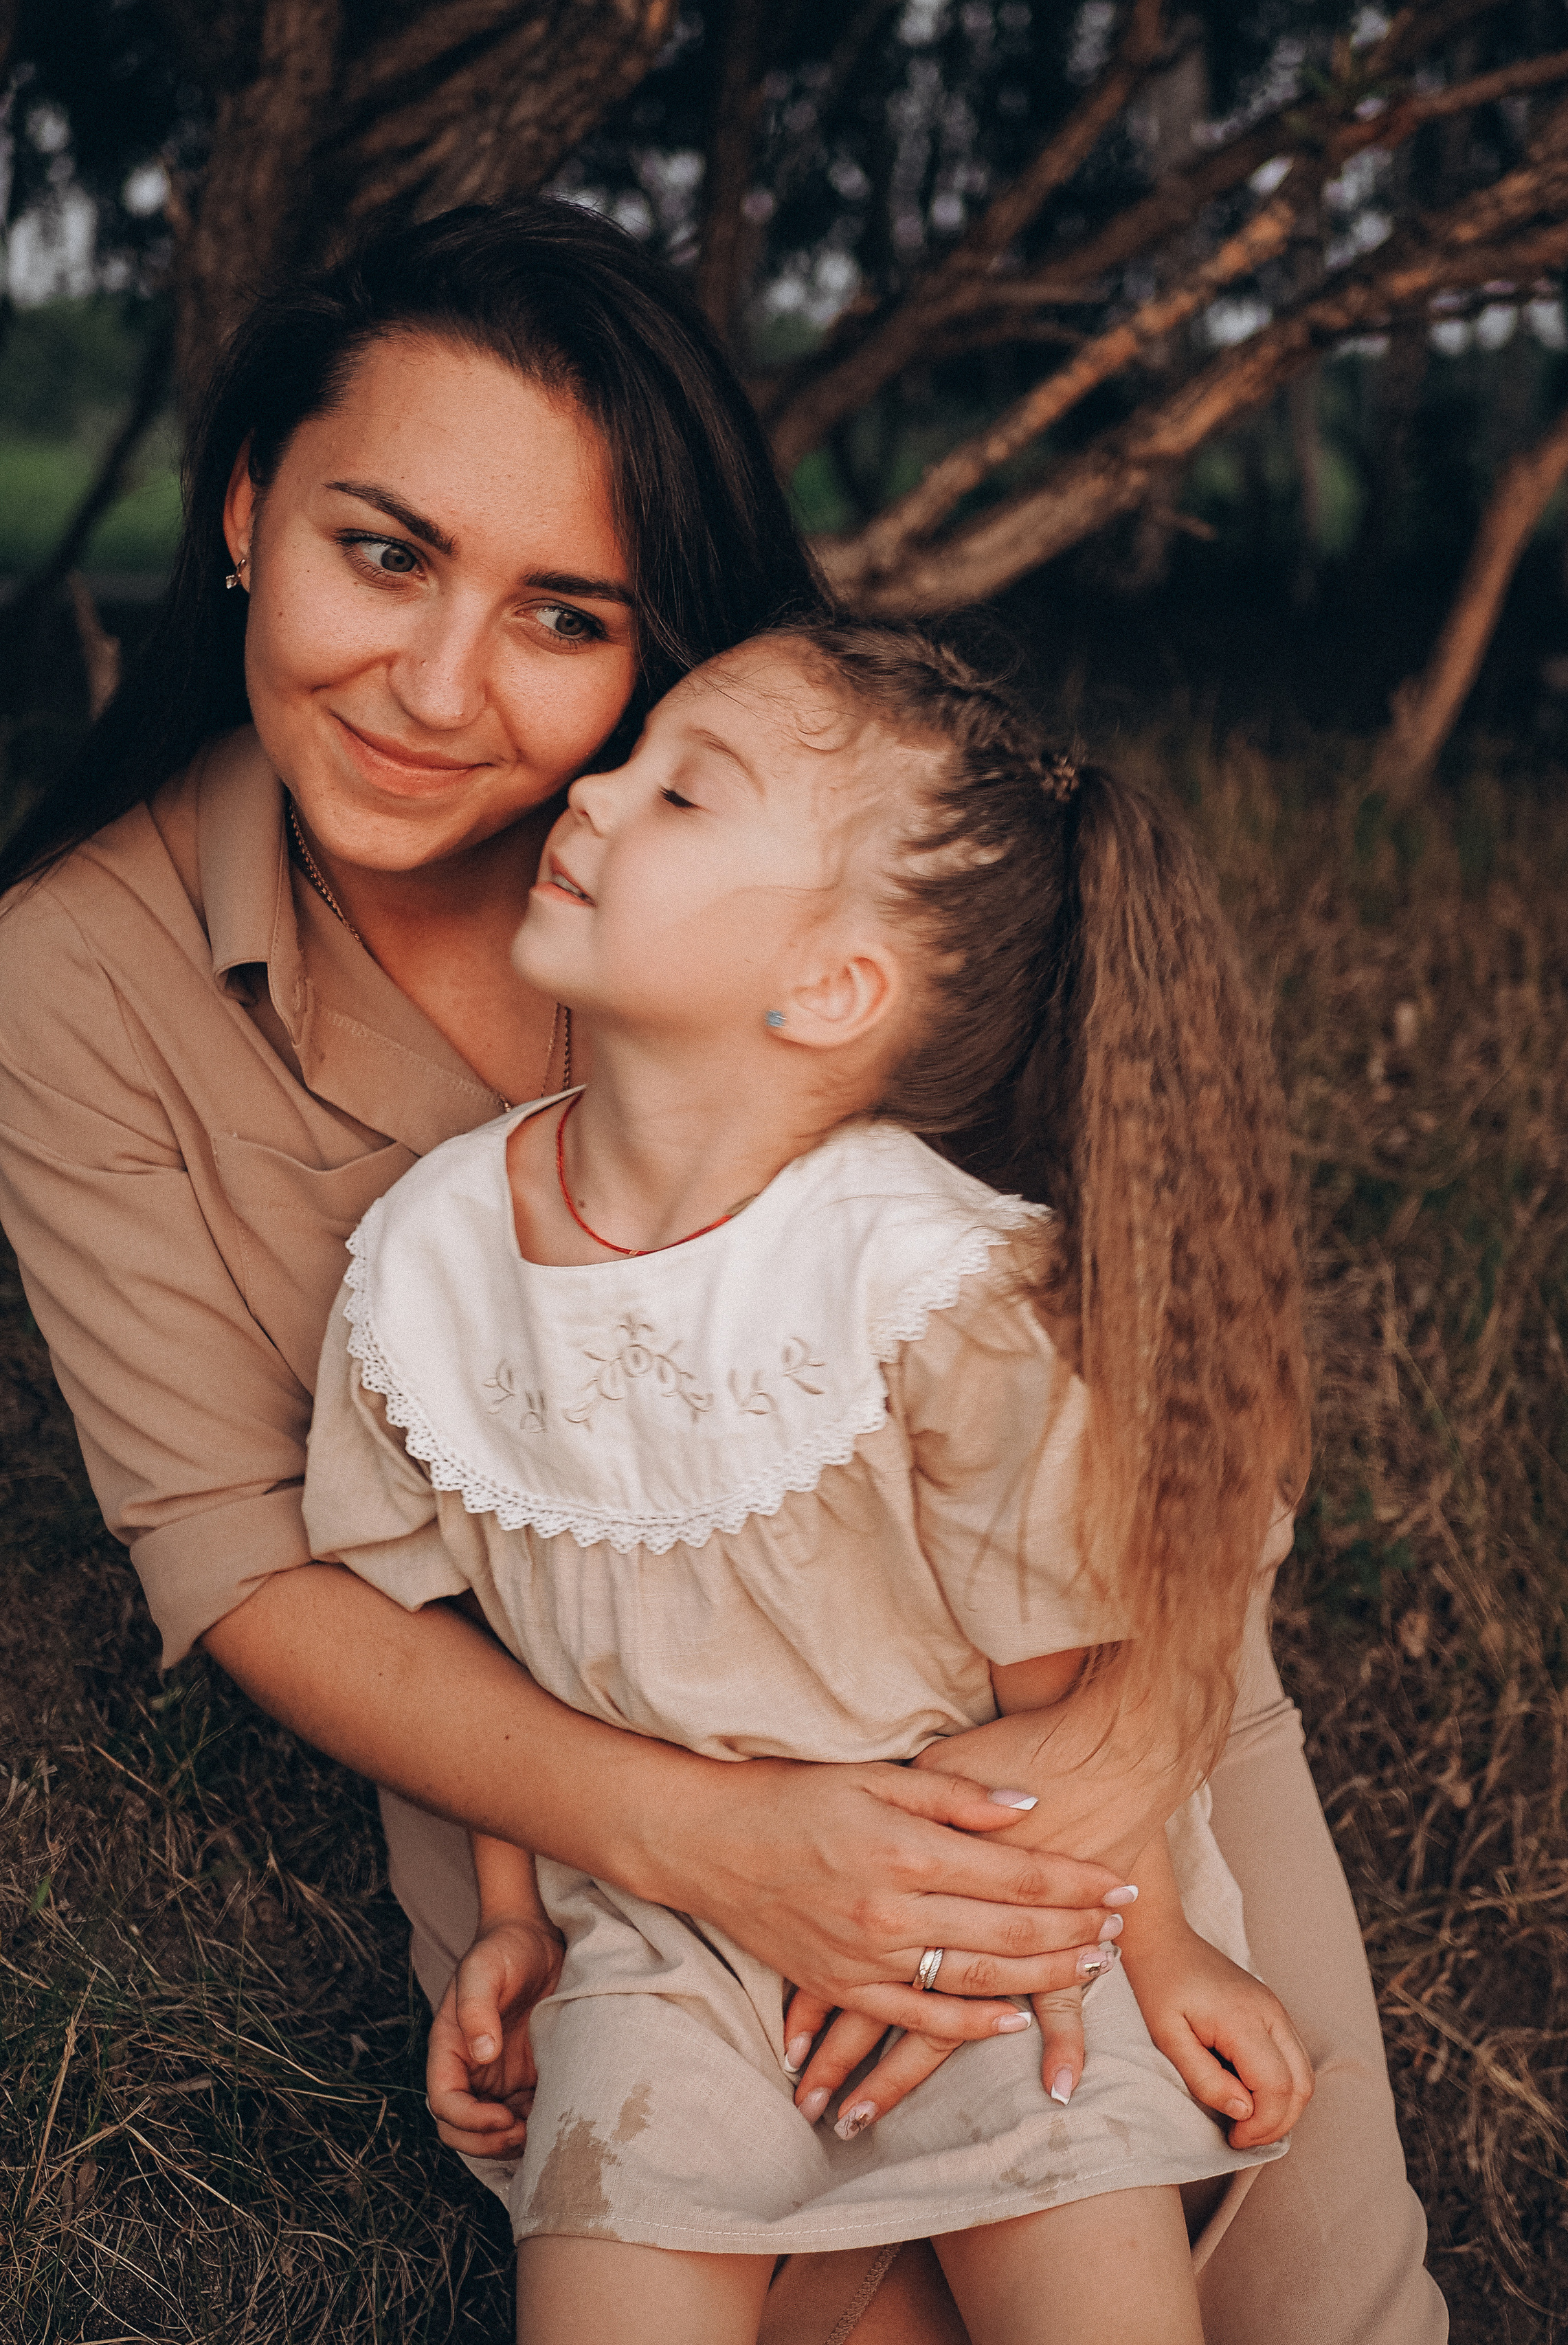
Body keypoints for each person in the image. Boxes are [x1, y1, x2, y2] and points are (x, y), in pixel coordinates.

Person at [0, 201, 1447, 2344]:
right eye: (381, 552)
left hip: (1061, 1701)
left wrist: (1117, 1775)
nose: (437, 684)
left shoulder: (818, 843)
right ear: (245, 509)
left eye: (561, 613)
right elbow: (252, 1562)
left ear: (654, 634)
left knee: (1304, 2297)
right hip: (586, 1791)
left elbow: (1169, 1377)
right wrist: (711, 1841)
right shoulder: (71, 982)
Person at [302, 620, 1317, 2342]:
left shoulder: (922, 1291)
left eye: (682, 788)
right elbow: (466, 1630)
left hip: (978, 1912)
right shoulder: (429, 1260)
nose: (596, 791)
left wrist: (1154, 1954)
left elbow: (1063, 1699)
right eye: (627, 758)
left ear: (829, 987)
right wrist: (506, 1922)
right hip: (648, 1935)